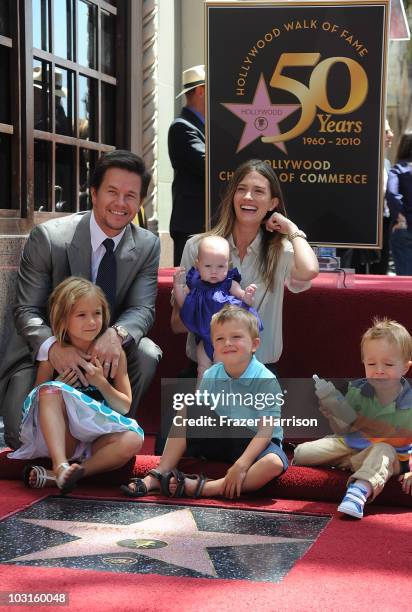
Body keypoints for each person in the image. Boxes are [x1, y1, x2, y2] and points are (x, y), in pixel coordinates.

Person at [0, 150, 161, 450]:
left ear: (140, 202)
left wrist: (116, 335)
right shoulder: (50, 238)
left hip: (104, 356)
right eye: (112, 192)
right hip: (47, 348)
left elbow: (142, 308)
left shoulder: (147, 244)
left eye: (130, 195)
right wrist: (54, 348)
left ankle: (111, 434)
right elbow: (26, 310)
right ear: (94, 193)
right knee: (19, 439)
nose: (120, 203)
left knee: (147, 352)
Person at [122, 306, 288, 499]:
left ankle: (206, 488)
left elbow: (266, 432)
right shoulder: (211, 374)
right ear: (214, 346)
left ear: (254, 344)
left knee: (273, 463)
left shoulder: (265, 379)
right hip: (223, 439)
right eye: (219, 339)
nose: (228, 343)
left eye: (236, 337)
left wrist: (242, 465)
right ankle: (160, 473)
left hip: (256, 442)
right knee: (188, 406)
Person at [172, 158, 319, 374]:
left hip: (258, 372)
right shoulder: (197, 247)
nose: (248, 197)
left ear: (272, 203)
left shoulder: (280, 251)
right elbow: (176, 324)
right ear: (232, 196)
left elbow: (309, 270)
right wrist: (207, 310)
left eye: (258, 191)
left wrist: (290, 227)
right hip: (205, 370)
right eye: (241, 189)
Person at [8, 277, 143, 494]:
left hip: (100, 438)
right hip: (64, 438)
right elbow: (36, 400)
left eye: (97, 314)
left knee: (134, 439)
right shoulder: (53, 356)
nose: (91, 322)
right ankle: (60, 464)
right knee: (49, 390)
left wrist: (100, 382)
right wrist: (58, 386)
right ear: (63, 320)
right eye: (81, 315)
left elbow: (124, 407)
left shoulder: (113, 354)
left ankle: (71, 474)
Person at [294, 318, 412, 518]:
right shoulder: (357, 390)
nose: (379, 370)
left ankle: (358, 492)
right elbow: (344, 429)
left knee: (383, 449)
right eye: (371, 363)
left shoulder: (408, 401)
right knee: (301, 453)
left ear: (405, 368)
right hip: (351, 443)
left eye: (389, 364)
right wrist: (333, 416)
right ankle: (356, 462)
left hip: (392, 455)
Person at [174, 235, 259, 379]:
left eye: (220, 266)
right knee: (202, 369)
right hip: (203, 338)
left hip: (226, 339)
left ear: (228, 265)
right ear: (198, 265)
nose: (214, 271)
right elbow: (183, 302)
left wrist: (248, 295)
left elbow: (243, 299)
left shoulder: (228, 283)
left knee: (222, 370)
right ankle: (202, 397)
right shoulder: (195, 284)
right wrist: (177, 285)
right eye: (208, 266)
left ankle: (221, 398)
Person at [168, 65, 206, 265]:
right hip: (191, 226)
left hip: (202, 224)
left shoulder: (199, 127)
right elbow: (208, 164)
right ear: (201, 91)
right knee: (188, 287)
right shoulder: (182, 127)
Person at [387, 130, 412, 275]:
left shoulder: (398, 169)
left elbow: (392, 194)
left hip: (405, 227)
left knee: (406, 280)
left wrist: (400, 218)